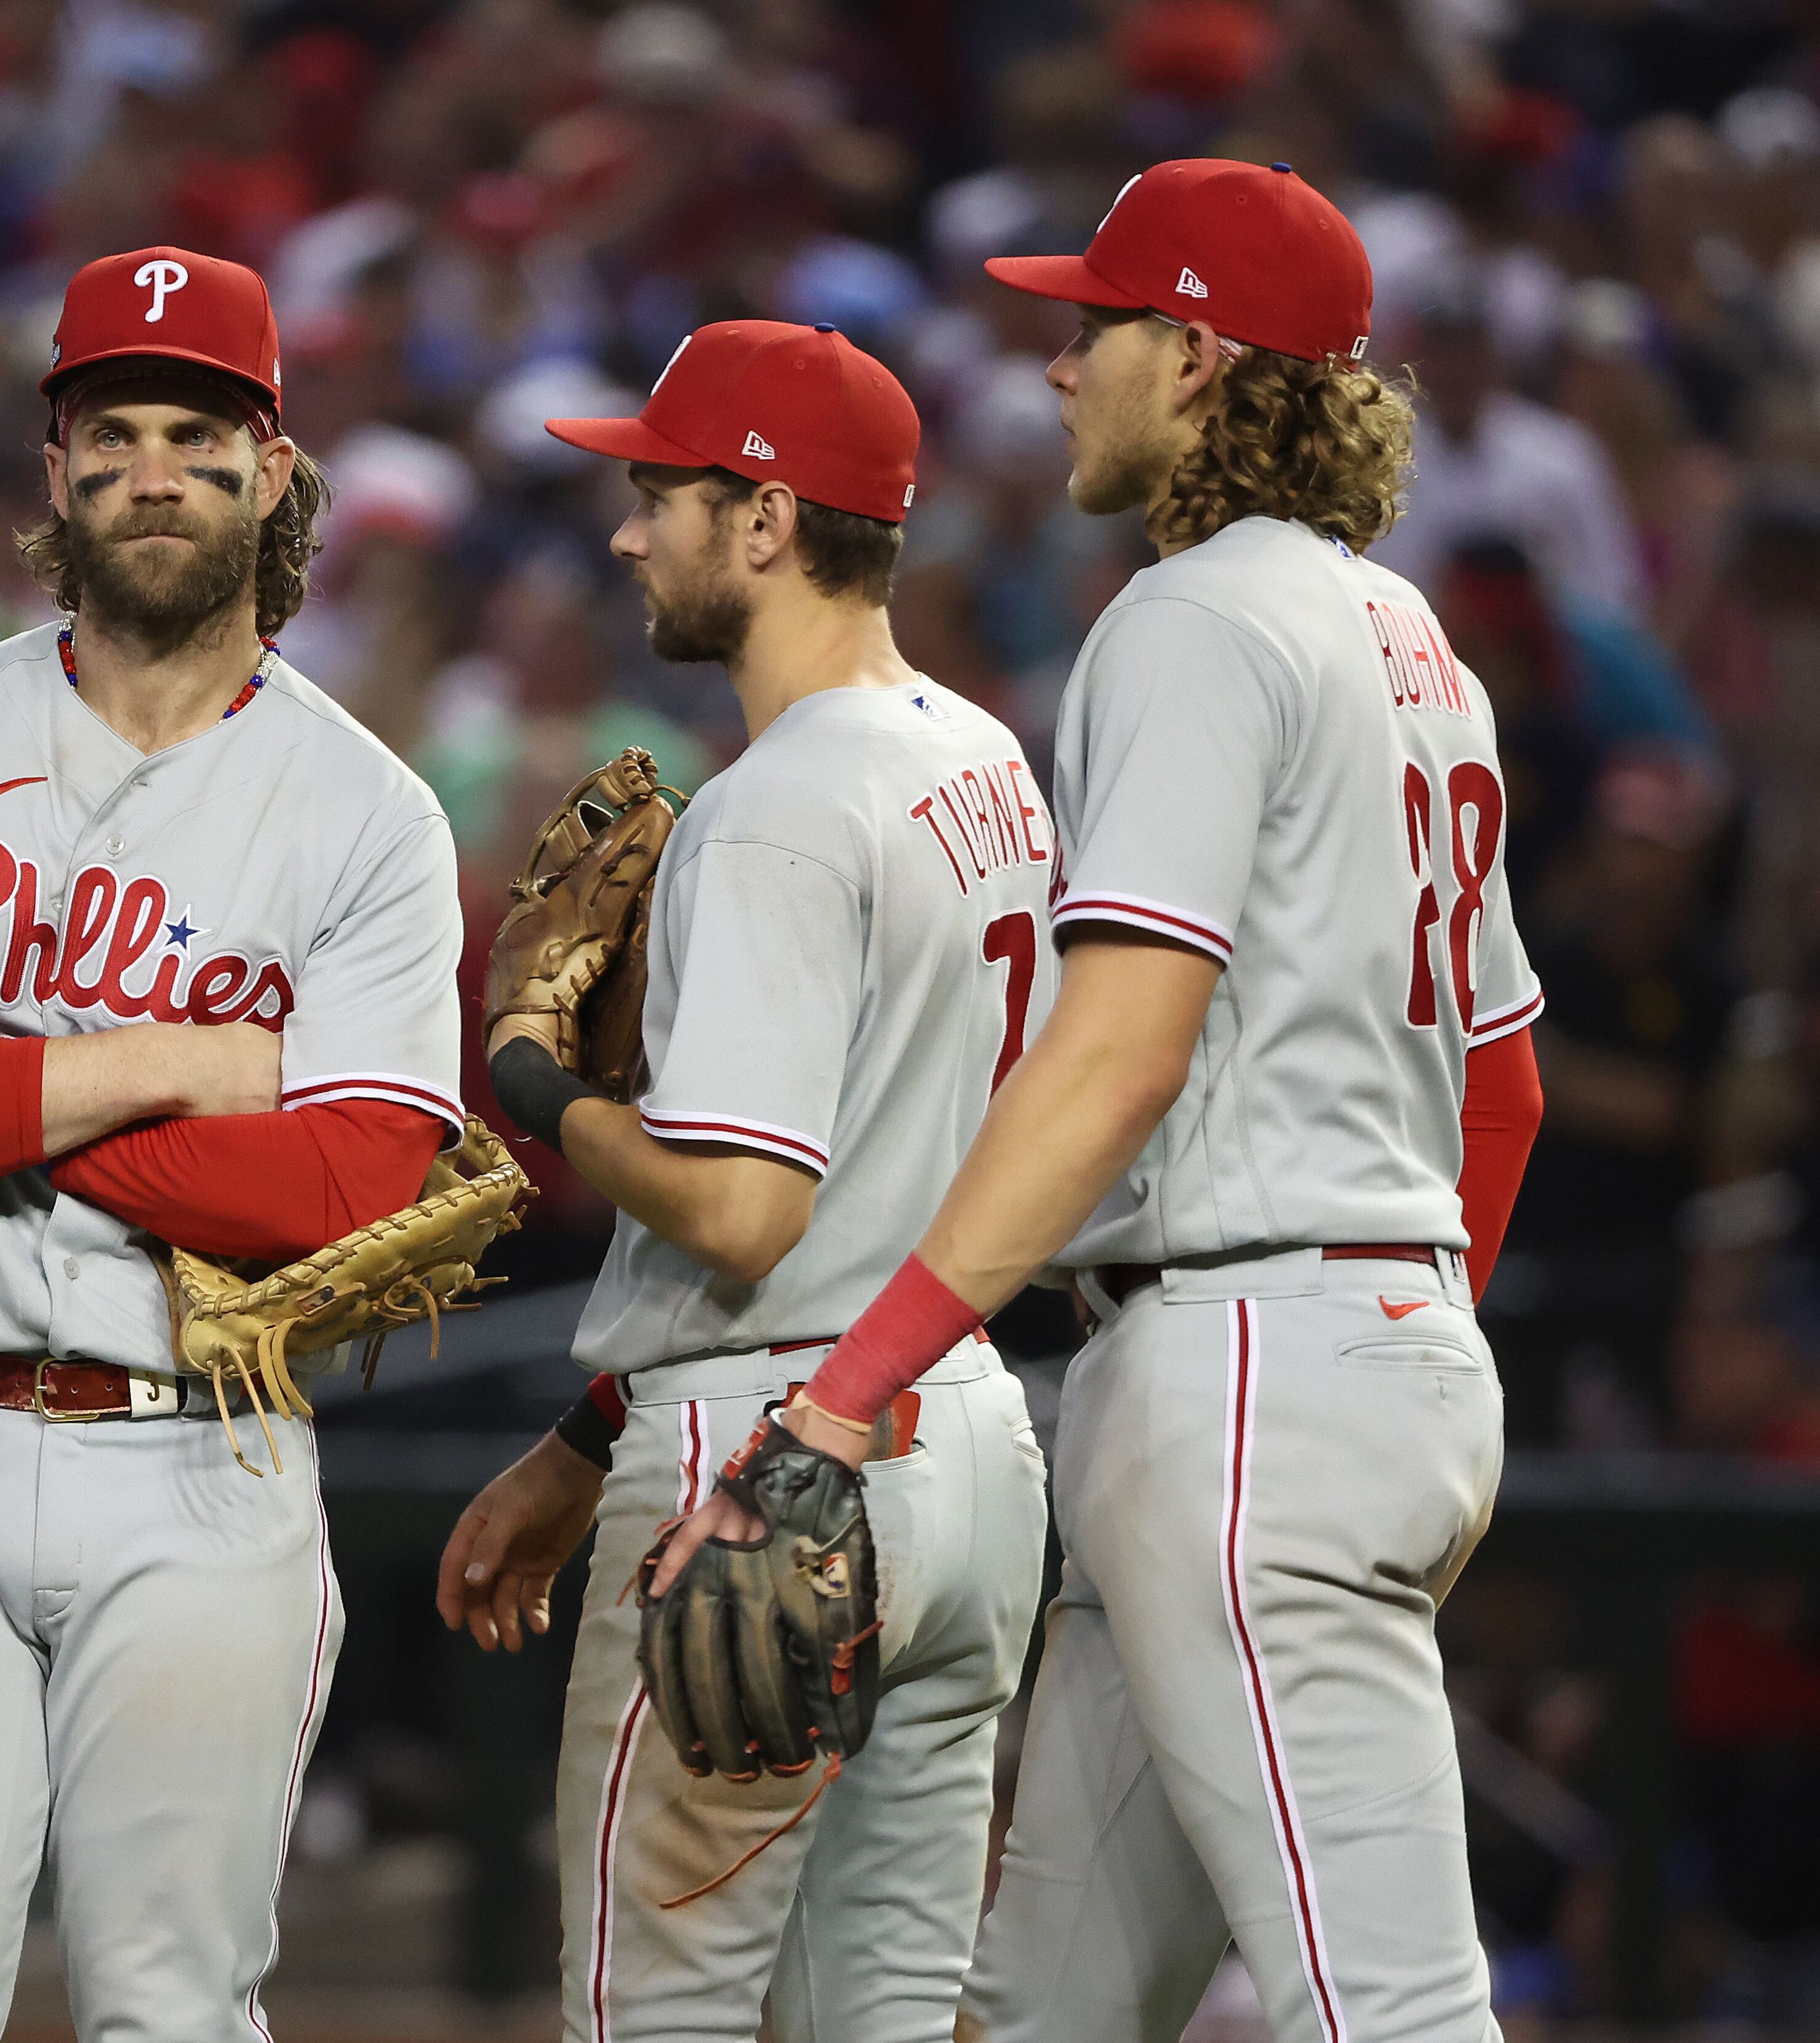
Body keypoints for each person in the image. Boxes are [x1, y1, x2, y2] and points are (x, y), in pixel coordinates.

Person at [647, 160, 1549, 2043]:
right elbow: (1506, 1084)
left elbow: (1122, 1049)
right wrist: (1410, 1333)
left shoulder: (1196, 618)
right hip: (1335, 1341)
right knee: (1041, 2007)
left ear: (1202, 358)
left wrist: (847, 1385)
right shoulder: (1412, 644)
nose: (1060, 369)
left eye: (1095, 328)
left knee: (1383, 2010)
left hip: (1252, 1374)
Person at [0, 245, 463, 2042]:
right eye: (114, 430)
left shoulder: (368, 807)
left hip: (202, 1462)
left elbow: (336, 1194)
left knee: (170, 2008)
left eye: (199, 434)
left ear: (273, 471)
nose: (156, 469)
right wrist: (176, 1069)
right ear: (54, 469)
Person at [434, 321, 1053, 2043]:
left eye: (662, 494)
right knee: (897, 2016)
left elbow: (743, 1213)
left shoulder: (778, 805)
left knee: (660, 2018)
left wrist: (535, 1081)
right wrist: (581, 1442)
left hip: (764, 1465)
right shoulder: (985, 757)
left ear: (766, 519)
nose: (632, 534)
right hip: (966, 1441)